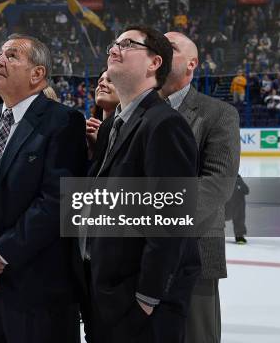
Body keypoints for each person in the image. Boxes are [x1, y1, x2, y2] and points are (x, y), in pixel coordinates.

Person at [0, 34, 87, 343]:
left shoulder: (64, 121)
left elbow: (58, 201)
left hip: (38, 293)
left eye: (11, 56)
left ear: (37, 74)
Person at [85, 26, 200, 342]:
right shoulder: (112, 127)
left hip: (140, 307)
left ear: (154, 63)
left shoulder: (165, 124)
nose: (114, 48)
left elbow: (172, 221)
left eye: (127, 44)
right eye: (114, 43)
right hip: (107, 297)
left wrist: (146, 299)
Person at [161, 31, 240, 343]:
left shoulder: (218, 114)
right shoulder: (137, 111)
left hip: (194, 253)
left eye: (172, 48)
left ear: (192, 63)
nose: (162, 51)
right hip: (137, 255)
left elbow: (218, 183)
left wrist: (159, 220)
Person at [86, 69, 120, 159]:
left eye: (110, 81)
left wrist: (102, 143)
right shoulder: (88, 129)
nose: (101, 84)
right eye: (99, 81)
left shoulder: (132, 130)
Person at [225, 175, 249, 245]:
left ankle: (239, 235)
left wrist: (238, 188)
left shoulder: (236, 177)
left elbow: (246, 190)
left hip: (235, 208)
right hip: (222, 207)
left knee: (240, 201)